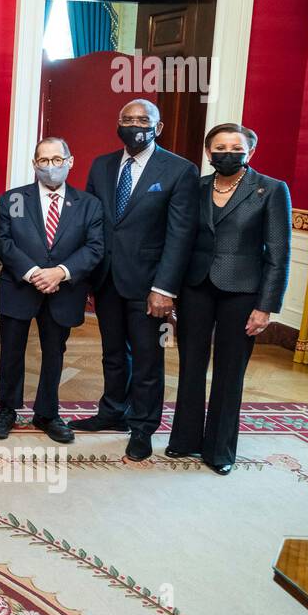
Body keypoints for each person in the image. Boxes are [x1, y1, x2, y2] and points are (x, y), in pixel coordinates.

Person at [75, 99, 198, 461]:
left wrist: (165, 289)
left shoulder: (179, 170)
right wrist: (87, 277)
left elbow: (180, 235)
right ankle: (113, 412)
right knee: (113, 354)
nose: (134, 124)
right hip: (107, 280)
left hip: (150, 287)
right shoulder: (102, 165)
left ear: (158, 128)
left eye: (143, 119)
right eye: (127, 119)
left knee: (147, 360)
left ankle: (143, 427)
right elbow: (92, 225)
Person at [168, 124, 291, 475]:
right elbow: (180, 239)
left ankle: (219, 449)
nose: (227, 152)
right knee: (191, 364)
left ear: (249, 152)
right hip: (195, 286)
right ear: (208, 153)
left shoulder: (270, 190)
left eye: (235, 147)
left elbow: (279, 253)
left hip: (244, 291)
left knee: (230, 370)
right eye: (219, 147)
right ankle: (185, 439)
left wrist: (266, 306)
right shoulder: (195, 186)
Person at [0, 137, 105, 443]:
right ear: (34, 165)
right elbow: (3, 241)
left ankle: (47, 412)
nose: (50, 167)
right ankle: (7, 409)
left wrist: (60, 273)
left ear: (70, 161)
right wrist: (32, 272)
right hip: (20, 286)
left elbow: (95, 247)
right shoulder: (14, 199)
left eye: (57, 160)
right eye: (44, 160)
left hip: (63, 290)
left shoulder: (89, 204)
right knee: (11, 351)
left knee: (54, 353)